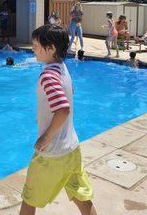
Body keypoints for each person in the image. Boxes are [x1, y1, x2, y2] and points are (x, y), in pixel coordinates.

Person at [20, 24, 97, 215]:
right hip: (72, 149)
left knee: (29, 199)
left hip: (52, 153)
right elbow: (70, 93)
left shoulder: (48, 75)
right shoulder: (62, 68)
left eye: (36, 45)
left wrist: (45, 138)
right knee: (81, 197)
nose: (33, 48)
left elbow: (63, 109)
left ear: (51, 48)